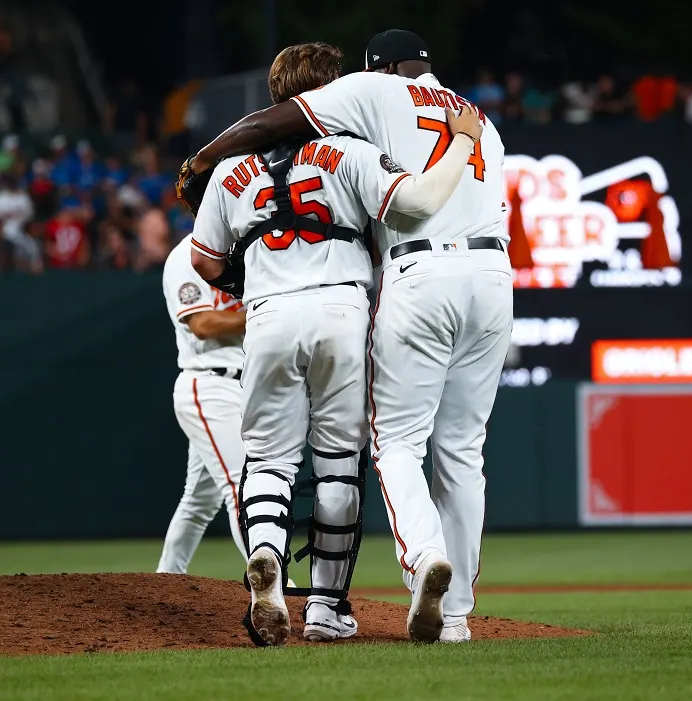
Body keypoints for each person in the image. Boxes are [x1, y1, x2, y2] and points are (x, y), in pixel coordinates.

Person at [184, 30, 506, 645]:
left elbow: (206, 258)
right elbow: (412, 198)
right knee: (441, 452)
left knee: (308, 456)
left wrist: (201, 160)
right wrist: (460, 141)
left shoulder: (247, 163)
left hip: (300, 304)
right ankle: (370, 608)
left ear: (374, 71)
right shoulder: (475, 121)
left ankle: (289, 562)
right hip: (482, 276)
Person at [156, 233, 249, 576]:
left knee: (199, 501)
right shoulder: (187, 255)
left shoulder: (246, 247)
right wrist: (263, 315)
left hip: (248, 384)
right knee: (244, 488)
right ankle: (278, 587)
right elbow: (203, 324)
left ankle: (165, 581)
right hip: (211, 384)